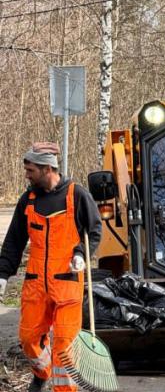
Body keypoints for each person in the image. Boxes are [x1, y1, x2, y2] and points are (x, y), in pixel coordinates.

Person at [0, 142, 102, 392]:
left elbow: (94, 230)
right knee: (28, 339)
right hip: (36, 285)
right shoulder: (29, 200)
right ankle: (42, 371)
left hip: (67, 284)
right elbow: (13, 241)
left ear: (47, 169)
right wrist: (2, 275)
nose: (26, 174)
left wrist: (81, 254)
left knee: (64, 348)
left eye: (30, 170)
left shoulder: (77, 195)